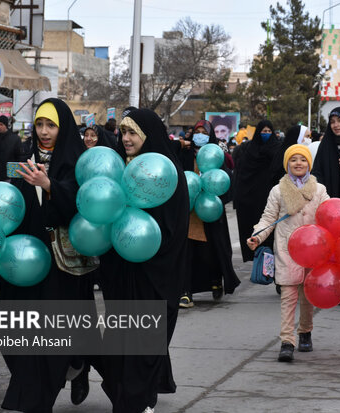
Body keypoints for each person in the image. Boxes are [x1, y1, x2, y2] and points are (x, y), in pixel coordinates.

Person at [0, 98, 93, 411]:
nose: (44, 131)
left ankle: (41, 394)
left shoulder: (76, 160)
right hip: (24, 259)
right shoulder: (23, 156)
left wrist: (50, 185)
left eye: (50, 125)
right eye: (39, 124)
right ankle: (30, 387)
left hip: (59, 263)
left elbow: (82, 204)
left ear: (62, 126)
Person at [99, 108, 189, 413]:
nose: (125, 139)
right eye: (122, 132)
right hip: (122, 272)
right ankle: (132, 393)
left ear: (148, 135)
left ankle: (139, 397)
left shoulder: (165, 172)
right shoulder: (119, 168)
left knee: (145, 338)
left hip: (155, 275)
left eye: (132, 132)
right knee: (119, 339)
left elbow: (172, 229)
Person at [247, 144, 329, 362]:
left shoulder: (319, 190)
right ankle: (286, 341)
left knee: (308, 296)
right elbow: (268, 218)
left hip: (313, 251)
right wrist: (257, 236)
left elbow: (329, 216)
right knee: (288, 296)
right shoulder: (278, 190)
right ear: (287, 164)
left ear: (309, 163)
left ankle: (305, 331)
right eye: (293, 160)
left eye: (303, 159)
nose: (298, 163)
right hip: (287, 250)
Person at [179, 120, 240, 308]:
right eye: (196, 131)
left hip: (211, 211)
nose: (199, 135)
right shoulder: (185, 153)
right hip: (189, 213)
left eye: (203, 132)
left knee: (212, 251)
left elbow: (226, 182)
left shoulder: (217, 155)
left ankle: (215, 281)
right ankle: (185, 291)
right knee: (187, 253)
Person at [233, 120, 282, 262]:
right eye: (263, 131)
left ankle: (268, 255)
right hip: (251, 197)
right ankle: (253, 253)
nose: (265, 134)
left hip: (270, 196)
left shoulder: (277, 149)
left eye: (268, 131)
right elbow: (242, 173)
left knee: (269, 225)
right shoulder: (249, 149)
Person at [0, 115, 24, 182]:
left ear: (6, 126)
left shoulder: (14, 139)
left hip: (8, 175)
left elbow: (19, 156)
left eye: (1, 124)